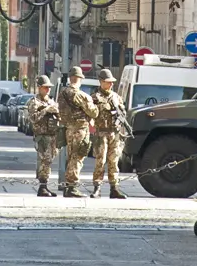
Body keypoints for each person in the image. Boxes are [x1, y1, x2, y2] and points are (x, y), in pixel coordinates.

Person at [57, 66, 98, 197]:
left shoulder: (62, 93)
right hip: (80, 130)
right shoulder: (81, 95)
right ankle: (72, 187)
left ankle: (69, 187)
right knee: (77, 157)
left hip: (68, 128)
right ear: (79, 79)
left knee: (71, 157)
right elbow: (94, 112)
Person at [91, 68, 128, 199]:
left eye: (112, 82)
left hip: (115, 133)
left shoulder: (117, 97)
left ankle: (114, 188)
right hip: (101, 133)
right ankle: (97, 187)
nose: (111, 84)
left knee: (114, 161)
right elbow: (91, 114)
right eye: (108, 82)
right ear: (101, 82)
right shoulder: (95, 98)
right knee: (100, 161)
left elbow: (123, 113)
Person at [27, 75, 59, 197]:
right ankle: (42, 186)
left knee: (49, 161)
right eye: (45, 88)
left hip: (52, 135)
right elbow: (33, 118)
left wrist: (56, 112)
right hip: (42, 135)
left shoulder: (51, 101)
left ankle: (45, 185)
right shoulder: (34, 102)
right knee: (44, 161)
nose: (48, 90)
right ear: (39, 88)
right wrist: (46, 110)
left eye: (49, 88)